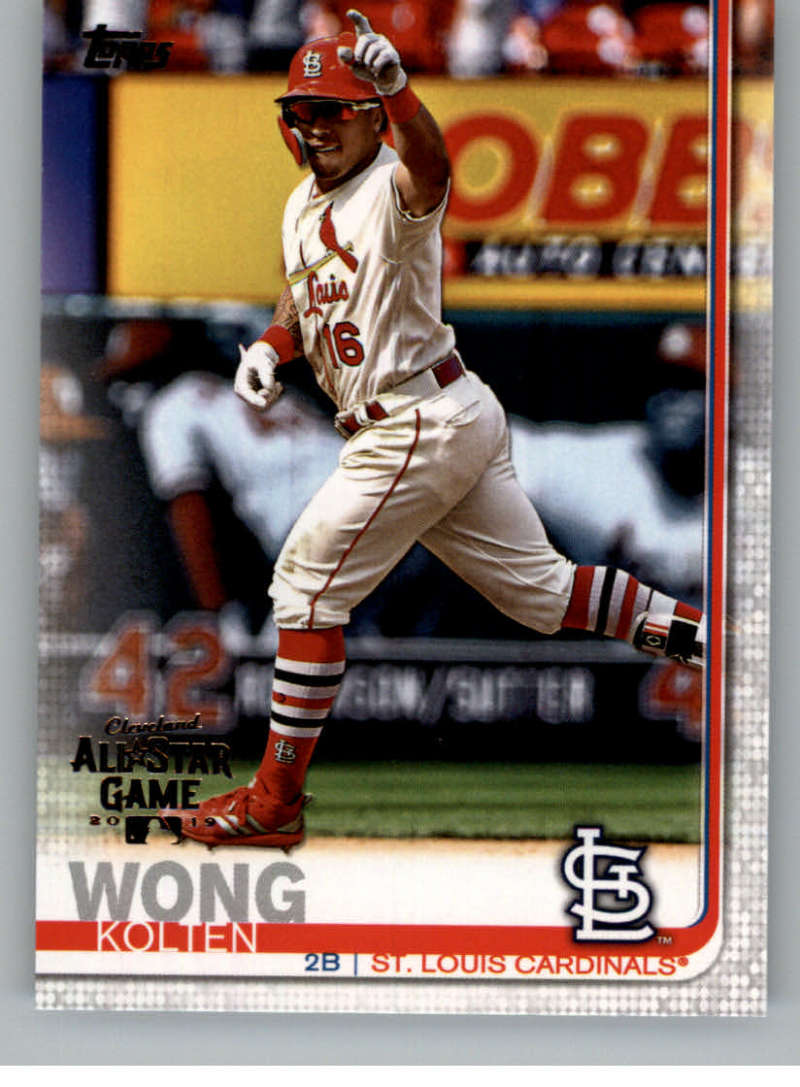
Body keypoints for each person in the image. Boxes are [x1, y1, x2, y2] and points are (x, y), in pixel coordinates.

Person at [165, 9, 705, 850]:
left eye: (332, 111)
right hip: (438, 418)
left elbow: (433, 166)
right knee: (545, 595)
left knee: (304, 586)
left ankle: (273, 802)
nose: (315, 126)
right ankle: (715, 644)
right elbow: (303, 302)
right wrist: (271, 347)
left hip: (414, 418)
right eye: (303, 111)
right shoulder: (303, 207)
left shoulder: (390, 182)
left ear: (369, 118)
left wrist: (401, 94)